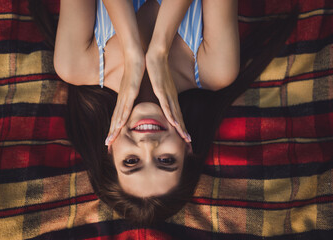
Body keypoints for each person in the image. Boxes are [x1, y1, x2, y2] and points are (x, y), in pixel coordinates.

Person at [28, 0, 297, 226]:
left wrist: (134, 53)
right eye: (166, 160)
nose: (148, 145)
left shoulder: (76, 64)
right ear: (188, 148)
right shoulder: (215, 68)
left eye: (131, 162)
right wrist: (158, 49)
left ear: (108, 149)